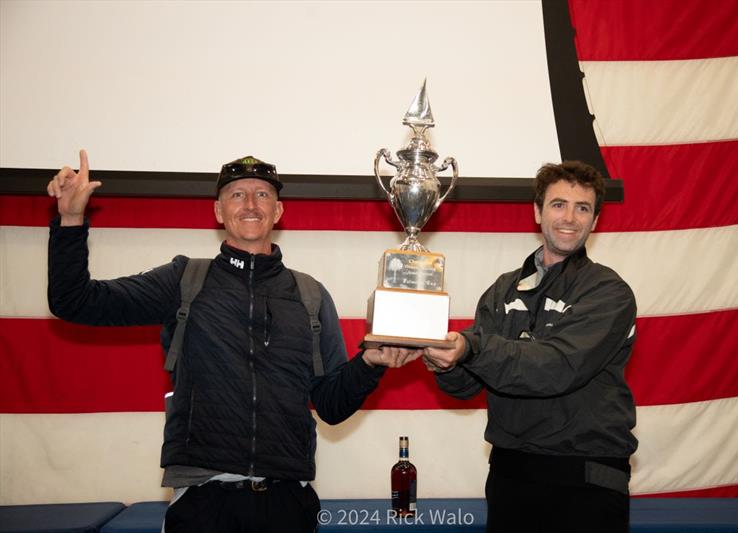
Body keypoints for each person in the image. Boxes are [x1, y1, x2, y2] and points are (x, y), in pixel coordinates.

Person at [47, 150, 421, 533]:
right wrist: (71, 219)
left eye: (262, 194)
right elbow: (73, 301)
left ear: (277, 212)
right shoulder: (183, 280)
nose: (250, 204)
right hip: (204, 504)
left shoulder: (310, 294)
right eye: (237, 194)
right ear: (218, 211)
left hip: (289, 502)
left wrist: (369, 364)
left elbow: (331, 405)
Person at [423, 160, 637, 532]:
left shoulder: (608, 292)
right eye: (558, 204)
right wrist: (444, 361)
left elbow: (555, 368)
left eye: (582, 207)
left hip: (585, 479)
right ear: (537, 211)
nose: (569, 217)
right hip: (511, 475)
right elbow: (467, 386)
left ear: (596, 220)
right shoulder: (502, 289)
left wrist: (471, 347)